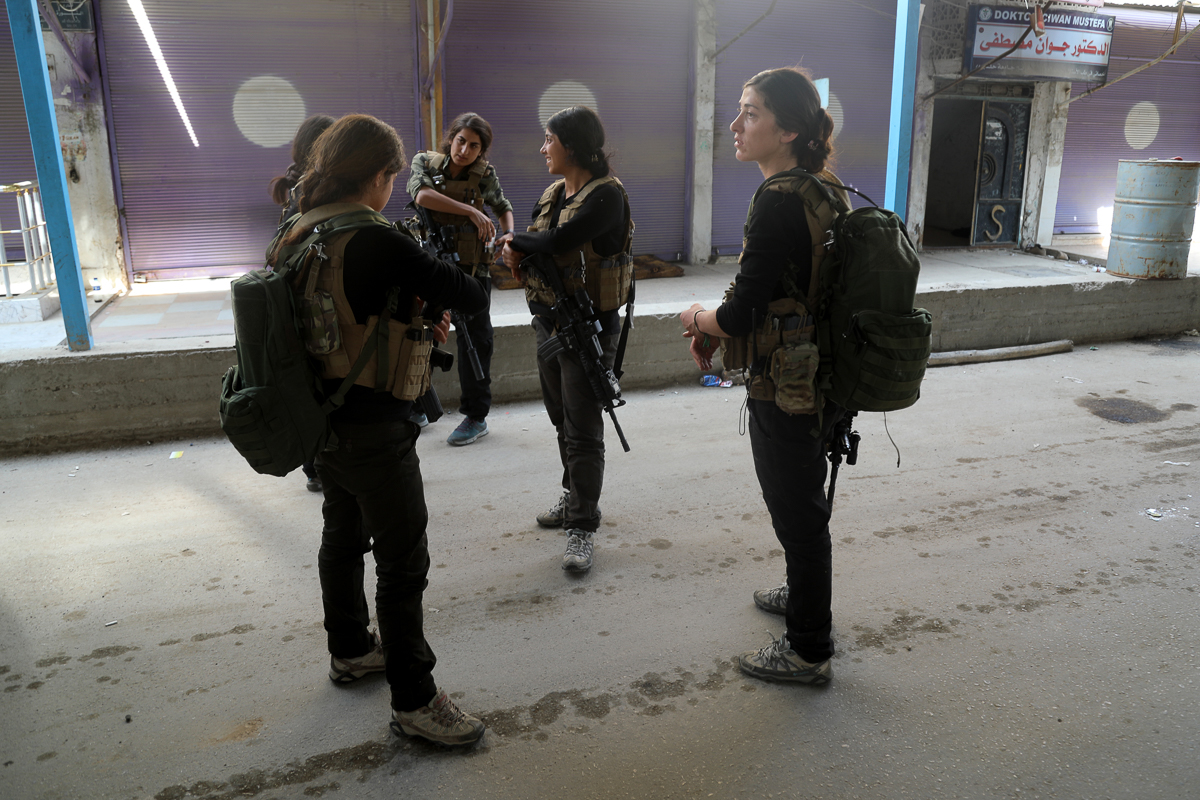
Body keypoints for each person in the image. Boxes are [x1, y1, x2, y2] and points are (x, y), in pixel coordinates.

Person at [270, 113, 489, 745]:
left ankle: (349, 649)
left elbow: (340, 317)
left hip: (321, 424)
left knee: (341, 537)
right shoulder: (376, 237)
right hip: (375, 428)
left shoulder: (296, 228)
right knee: (402, 562)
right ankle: (416, 701)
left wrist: (407, 314)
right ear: (379, 175)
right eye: (391, 175)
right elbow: (468, 294)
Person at [679, 67, 848, 685]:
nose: (735, 124)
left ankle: (807, 649)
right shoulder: (823, 189)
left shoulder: (777, 199)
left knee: (797, 514)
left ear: (791, 129)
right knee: (805, 507)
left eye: (750, 113)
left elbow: (742, 309)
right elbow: (780, 289)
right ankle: (804, 599)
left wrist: (697, 316)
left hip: (785, 383)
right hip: (824, 374)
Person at [500, 106, 634, 574]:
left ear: (572, 145)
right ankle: (572, 493)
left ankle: (583, 525)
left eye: (549, 139)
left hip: (588, 328)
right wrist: (518, 249)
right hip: (549, 323)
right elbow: (538, 245)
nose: (543, 148)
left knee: (582, 430)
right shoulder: (555, 192)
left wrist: (515, 241)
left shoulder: (607, 197)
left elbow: (556, 242)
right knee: (562, 421)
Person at [407, 113, 515, 445]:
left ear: (482, 151)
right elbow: (421, 195)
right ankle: (414, 404)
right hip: (429, 267)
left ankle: (475, 416)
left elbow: (503, 206)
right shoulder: (424, 161)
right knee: (415, 334)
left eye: (474, 145)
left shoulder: (484, 176)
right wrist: (470, 211)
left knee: (475, 342)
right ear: (450, 137)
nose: (464, 150)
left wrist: (509, 236)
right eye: (460, 140)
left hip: (471, 270)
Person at [269, 113, 335, 492]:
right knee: (319, 382)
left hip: (295, 295)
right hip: (311, 299)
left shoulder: (299, 186)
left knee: (308, 381)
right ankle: (317, 465)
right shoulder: (312, 192)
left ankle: (314, 466)